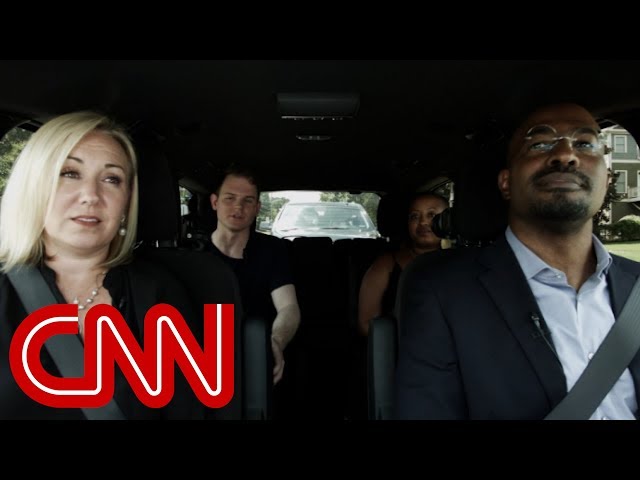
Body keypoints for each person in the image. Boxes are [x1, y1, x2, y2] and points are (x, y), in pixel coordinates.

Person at [394, 103, 640, 420]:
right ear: (506, 183)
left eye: (584, 143)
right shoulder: (442, 292)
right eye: (540, 144)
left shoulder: (635, 287)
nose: (566, 155)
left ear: (607, 180)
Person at [0, 111, 203, 420]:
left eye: (112, 179)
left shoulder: (159, 295)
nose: (91, 196)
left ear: (126, 204)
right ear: (34, 185)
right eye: (69, 173)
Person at [205, 166, 300, 386]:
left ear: (257, 208)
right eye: (230, 198)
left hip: (256, 353)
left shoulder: (272, 251)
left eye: (247, 201)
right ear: (214, 202)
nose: (238, 207)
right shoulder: (192, 253)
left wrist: (275, 341)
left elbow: (288, 307)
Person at [358, 192, 448, 336]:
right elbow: (366, 324)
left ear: (448, 220)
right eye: (414, 216)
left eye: (431, 215)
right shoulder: (386, 265)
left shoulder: (462, 263)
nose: (423, 222)